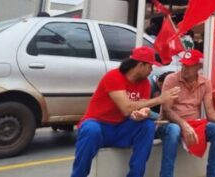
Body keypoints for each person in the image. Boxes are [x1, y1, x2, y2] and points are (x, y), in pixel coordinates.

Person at [70, 46, 180, 177]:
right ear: (140, 65)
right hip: (99, 125)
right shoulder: (114, 76)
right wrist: (160, 99)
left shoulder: (144, 83)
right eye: (150, 67)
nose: (151, 71)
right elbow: (126, 107)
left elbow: (141, 108)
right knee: (91, 130)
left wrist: (142, 114)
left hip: (121, 127)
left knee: (147, 125)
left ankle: (136, 174)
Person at [158, 49, 215, 177]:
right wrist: (183, 124)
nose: (185, 68)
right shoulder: (171, 79)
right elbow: (167, 110)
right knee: (174, 129)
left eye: (189, 65)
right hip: (170, 124)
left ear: (199, 66)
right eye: (183, 64)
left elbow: (210, 112)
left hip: (194, 125)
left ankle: (212, 175)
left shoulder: (205, 82)